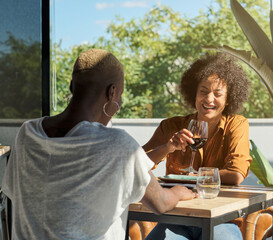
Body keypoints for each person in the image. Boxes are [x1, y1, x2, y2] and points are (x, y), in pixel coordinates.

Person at [1, 49, 195, 240]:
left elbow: (14, 192)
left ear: (71, 87)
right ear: (112, 92)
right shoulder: (117, 143)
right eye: (120, 96)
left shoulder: (27, 134)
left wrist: (166, 148)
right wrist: (178, 192)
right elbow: (160, 203)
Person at [143, 52, 252, 240]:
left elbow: (235, 174)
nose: (209, 99)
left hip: (221, 220)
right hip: (176, 218)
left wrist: (194, 176)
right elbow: (136, 164)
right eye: (203, 91)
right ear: (194, 93)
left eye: (218, 94)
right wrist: (167, 147)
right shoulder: (171, 126)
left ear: (228, 99)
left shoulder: (237, 124)